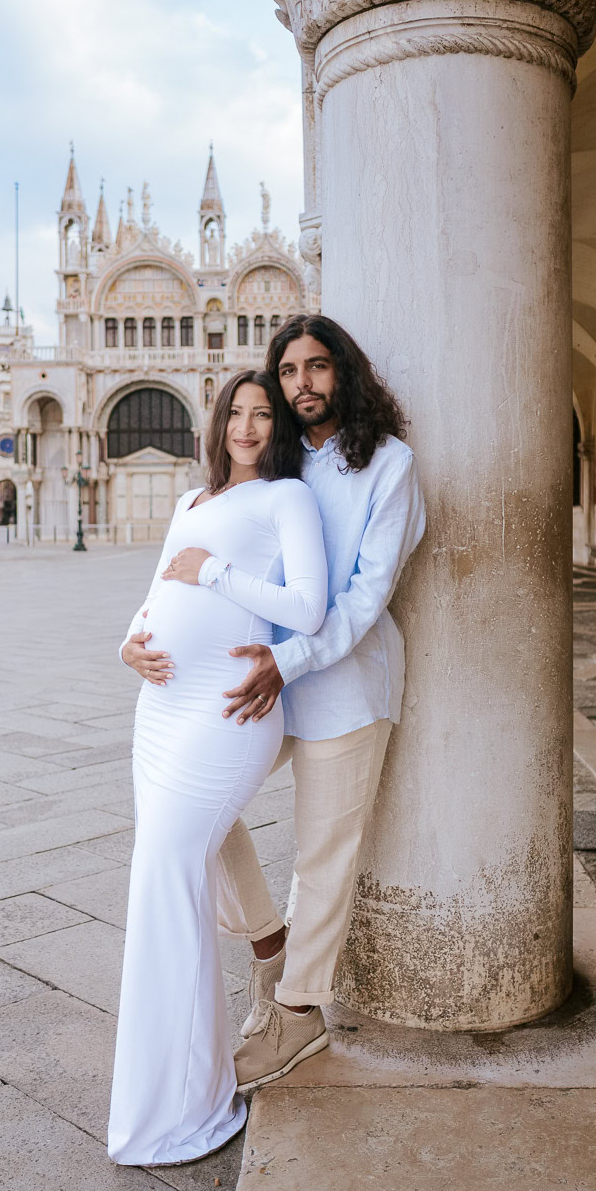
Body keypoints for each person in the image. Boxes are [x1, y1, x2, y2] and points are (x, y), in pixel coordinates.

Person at [137, 314, 426, 1092]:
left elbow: (366, 597)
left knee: (323, 857)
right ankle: (268, 945)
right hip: (263, 684)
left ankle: (299, 1015)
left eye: (317, 367)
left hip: (343, 688)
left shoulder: (390, 466)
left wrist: (287, 660)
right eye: (289, 370)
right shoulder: (282, 462)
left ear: (344, 374)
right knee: (203, 804)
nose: (302, 383)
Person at [107, 372, 327, 1167]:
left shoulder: (286, 501)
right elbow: (154, 589)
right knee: (163, 880)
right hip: (160, 712)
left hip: (226, 712)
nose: (246, 426)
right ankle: (184, 1092)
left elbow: (309, 606)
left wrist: (215, 576)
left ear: (279, 427)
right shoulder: (190, 503)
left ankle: (182, 1104)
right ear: (216, 421)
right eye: (235, 412)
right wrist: (128, 643)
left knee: (168, 874)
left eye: (262, 413)